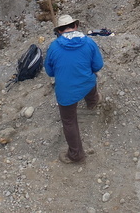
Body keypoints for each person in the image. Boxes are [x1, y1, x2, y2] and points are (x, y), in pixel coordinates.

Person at [44, 14, 104, 163]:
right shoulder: (89, 42)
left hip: (66, 92)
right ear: (75, 26)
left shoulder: (53, 47)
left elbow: (50, 71)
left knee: (69, 121)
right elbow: (97, 66)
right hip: (87, 83)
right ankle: (93, 101)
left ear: (59, 31)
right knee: (91, 80)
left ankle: (76, 155)